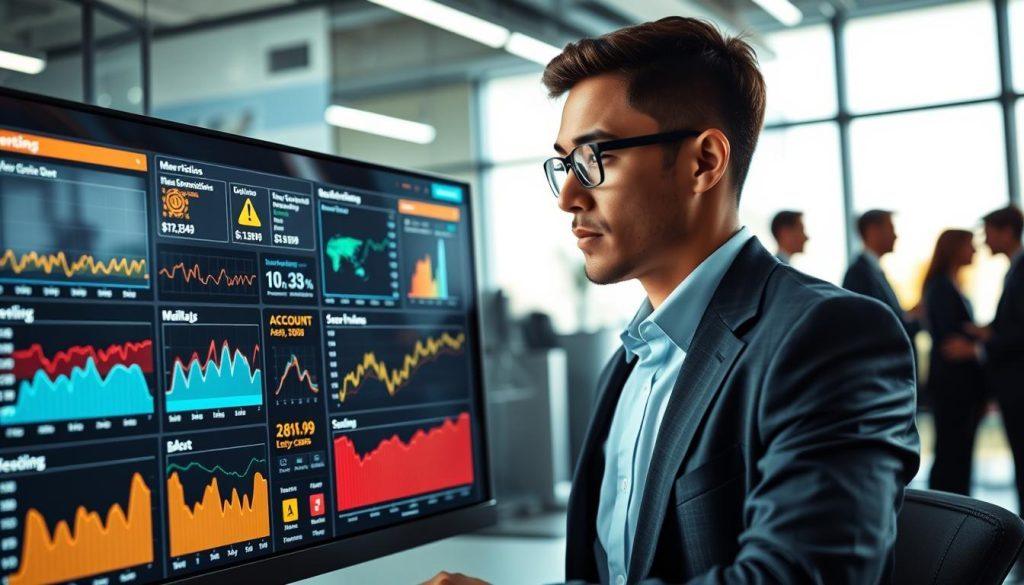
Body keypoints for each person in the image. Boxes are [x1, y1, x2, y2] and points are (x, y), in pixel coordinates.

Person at [424, 17, 918, 585]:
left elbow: (800, 578)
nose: (567, 196)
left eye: (593, 157)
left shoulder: (830, 336)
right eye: (564, 164)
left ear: (704, 162)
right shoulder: (633, 361)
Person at [944, 205, 1024, 513]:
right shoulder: (1015, 269)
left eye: (988, 232)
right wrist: (988, 330)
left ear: (1006, 232)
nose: (983, 241)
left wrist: (978, 348)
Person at [921, 229, 985, 496]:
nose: (974, 251)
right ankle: (950, 519)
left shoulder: (950, 284)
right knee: (951, 453)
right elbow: (951, 342)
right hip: (952, 386)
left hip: (959, 386)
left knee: (957, 453)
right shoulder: (940, 286)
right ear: (954, 248)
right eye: (969, 245)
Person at [843, 209, 922, 339]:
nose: (895, 236)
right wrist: (918, 320)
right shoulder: (859, 274)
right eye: (891, 228)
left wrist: (908, 315)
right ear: (873, 231)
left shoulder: (872, 270)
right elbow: (877, 327)